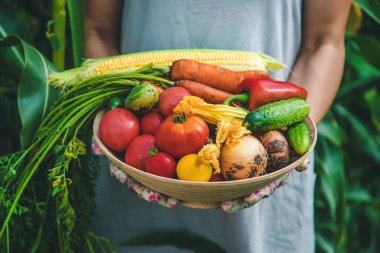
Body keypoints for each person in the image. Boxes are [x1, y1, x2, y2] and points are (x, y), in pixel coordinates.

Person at [85, 0, 351, 252]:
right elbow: (97, 30)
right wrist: (114, 125)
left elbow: (324, 41)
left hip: (265, 160)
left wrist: (291, 144)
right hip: (137, 153)